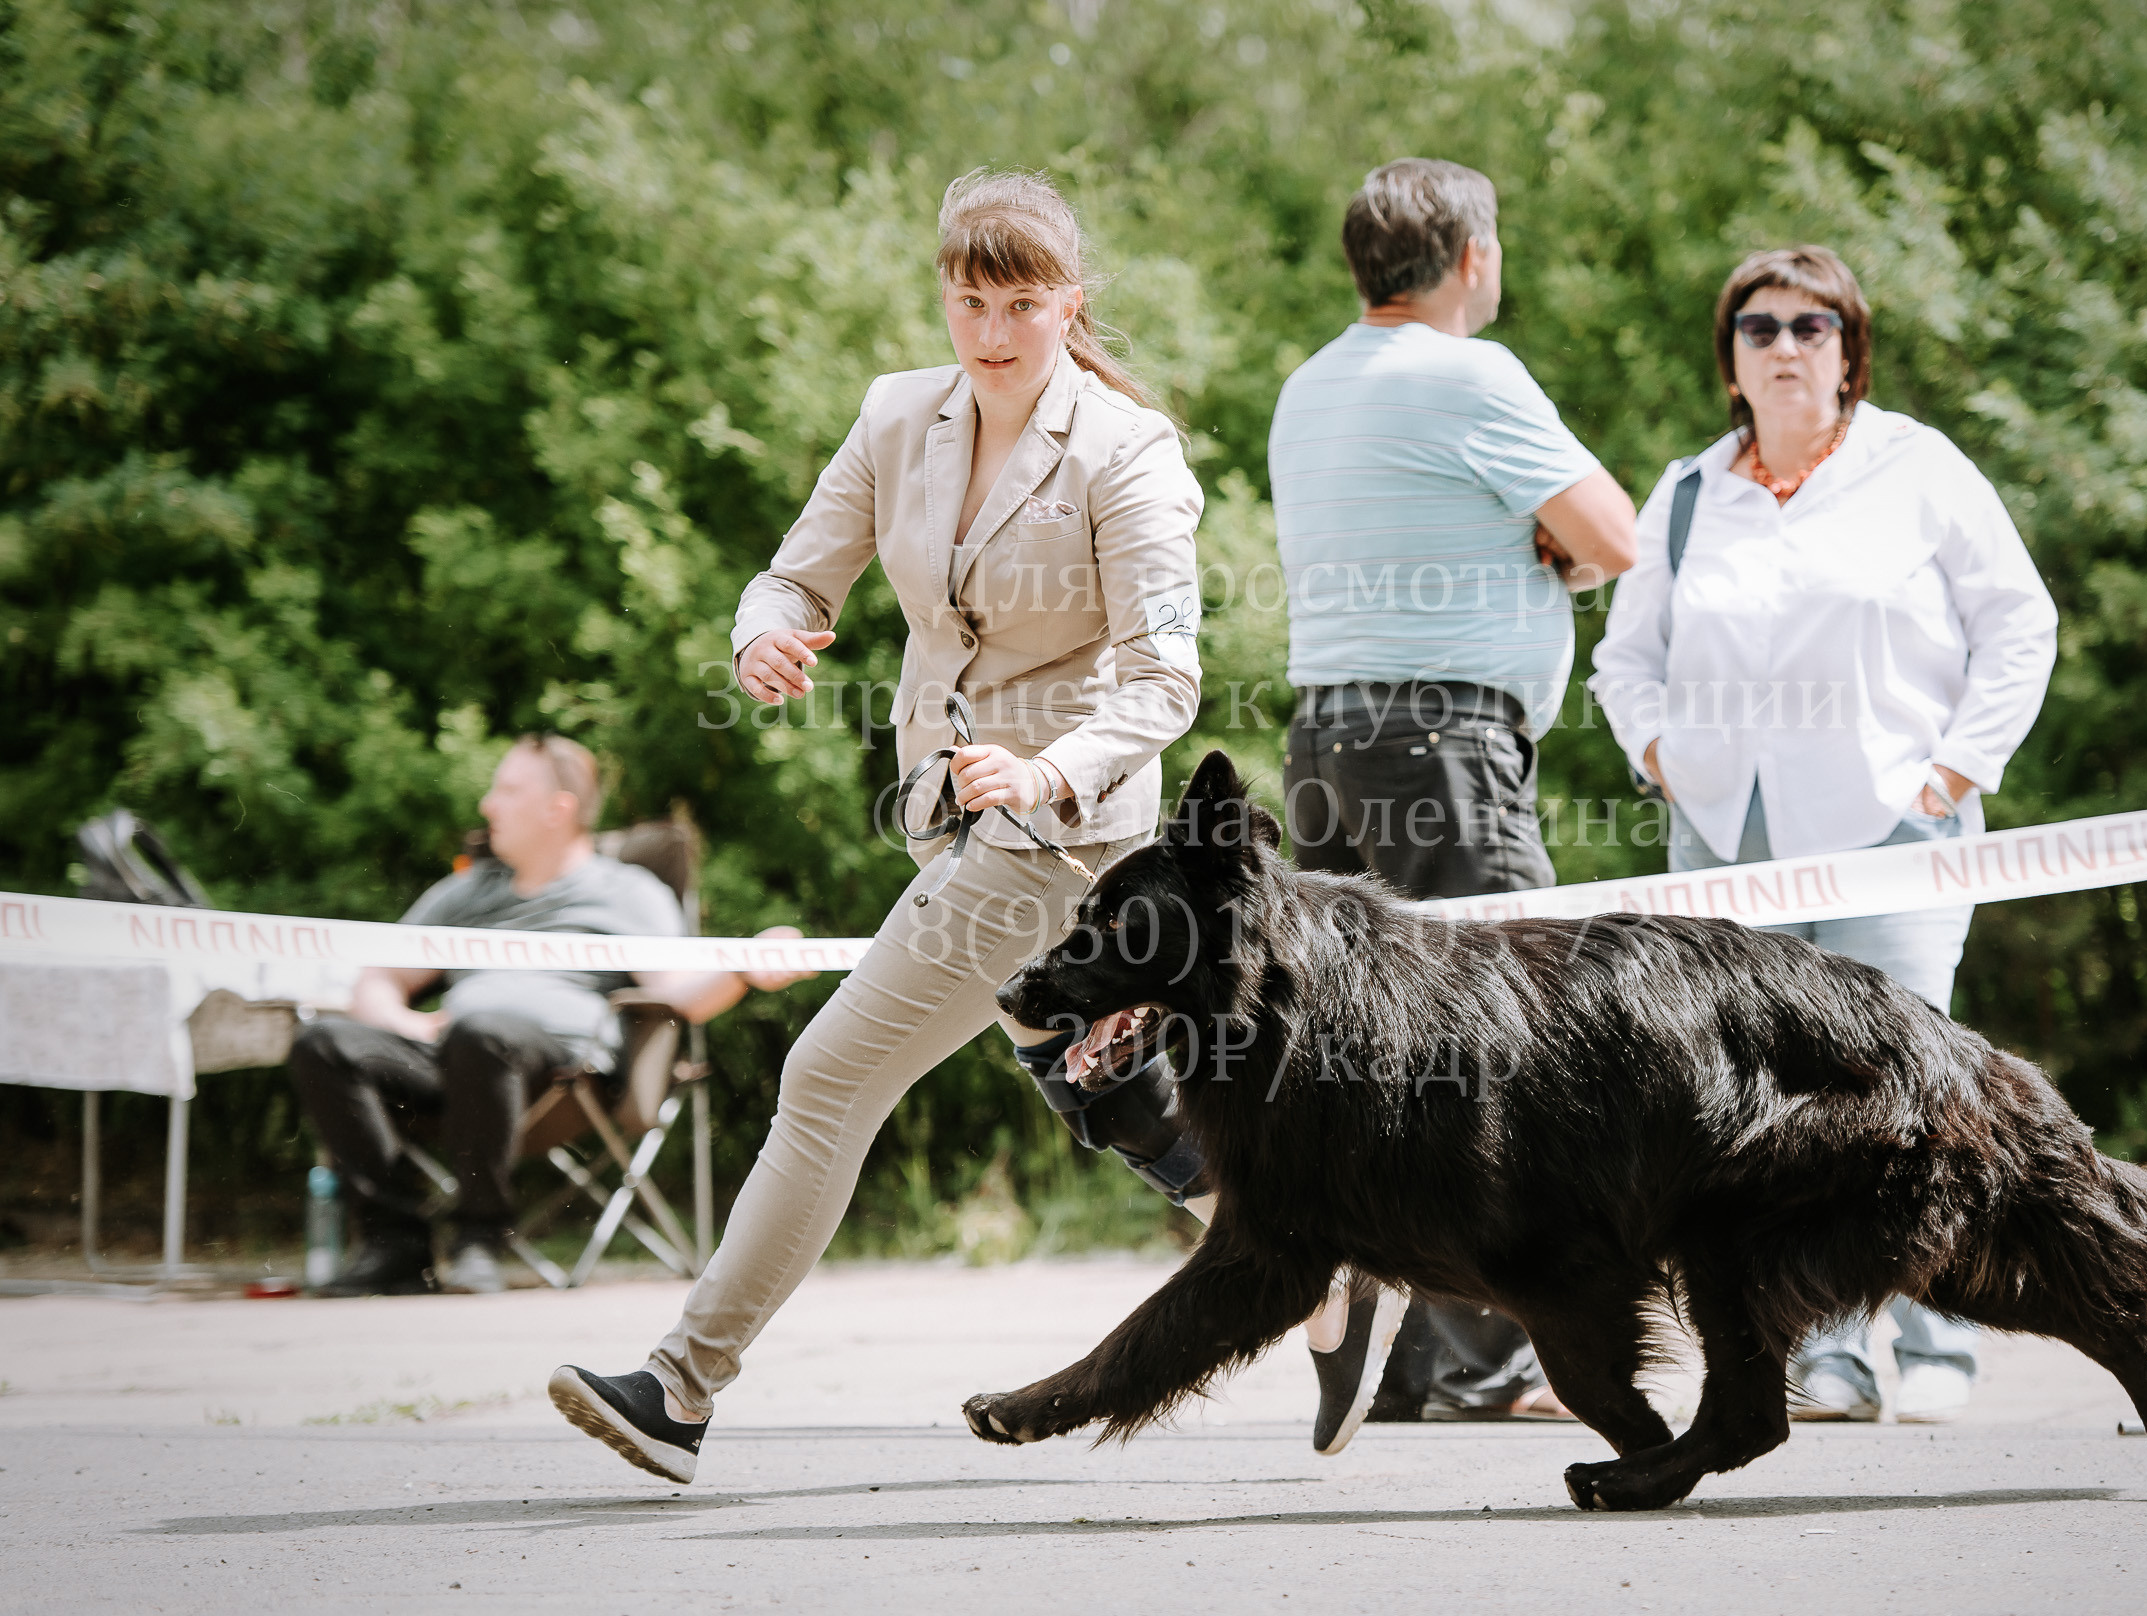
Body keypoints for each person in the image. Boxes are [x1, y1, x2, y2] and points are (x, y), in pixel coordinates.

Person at [548, 170, 1205, 1484]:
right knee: (1092, 1077)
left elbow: (1165, 677)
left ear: (1069, 304)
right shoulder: (898, 413)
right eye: (971, 299)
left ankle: (682, 1383)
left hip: (1060, 831)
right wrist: (762, 633)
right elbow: (795, 573)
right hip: (940, 810)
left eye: (1022, 303)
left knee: (828, 1076)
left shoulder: (1131, 454)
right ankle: (1318, 1263)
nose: (993, 330)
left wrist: (1048, 770)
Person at [1590, 245, 2059, 1424]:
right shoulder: (1689, 491)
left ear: (1849, 352)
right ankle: (1820, 1349)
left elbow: (2019, 623)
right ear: (1730, 358)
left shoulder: (1919, 469)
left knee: (1913, 1090)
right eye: (1760, 328)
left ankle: (1939, 1327)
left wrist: (1952, 771)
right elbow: (1622, 658)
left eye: (1812, 326)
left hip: (1892, 826)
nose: (1786, 346)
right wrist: (1660, 758)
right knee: (1762, 1107)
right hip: (1725, 846)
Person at [1267, 157, 1638, 1449]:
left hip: (1326, 732)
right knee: (1504, 1043)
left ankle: (1419, 1357)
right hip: (1442, 742)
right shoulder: (1470, 376)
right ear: (1472, 258)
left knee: (1373, 1054)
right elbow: (1616, 531)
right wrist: (1557, 552)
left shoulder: (1312, 384)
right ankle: (1480, 1359)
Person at [289, 734, 806, 1297]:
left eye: (507, 790)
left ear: (558, 809)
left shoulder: (626, 893)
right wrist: (406, 1023)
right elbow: (378, 979)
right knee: (324, 1041)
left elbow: (680, 994)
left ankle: (479, 1239)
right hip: (446, 1057)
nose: (488, 805)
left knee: (481, 1033)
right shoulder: (465, 892)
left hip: (562, 1075)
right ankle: (395, 1243)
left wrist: (746, 966)